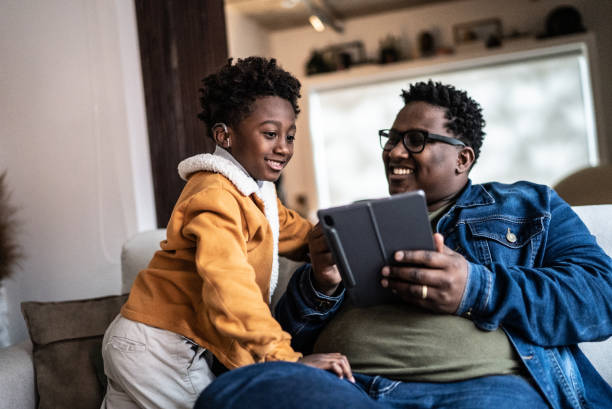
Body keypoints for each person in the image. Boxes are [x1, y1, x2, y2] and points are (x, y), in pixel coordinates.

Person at [195, 80, 612, 409]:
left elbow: (601, 296)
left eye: (415, 140)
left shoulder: (528, 206)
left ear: (462, 159)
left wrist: (476, 287)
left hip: (482, 390)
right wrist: (320, 284)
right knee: (234, 392)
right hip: (349, 389)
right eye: (391, 138)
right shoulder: (357, 217)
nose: (394, 151)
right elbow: (288, 336)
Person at [100, 57, 351, 409]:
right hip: (158, 348)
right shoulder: (216, 195)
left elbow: (296, 233)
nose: (284, 147)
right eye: (270, 134)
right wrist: (286, 360)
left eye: (289, 135)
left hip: (139, 340)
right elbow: (228, 285)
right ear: (224, 135)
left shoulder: (256, 193)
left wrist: (347, 240)